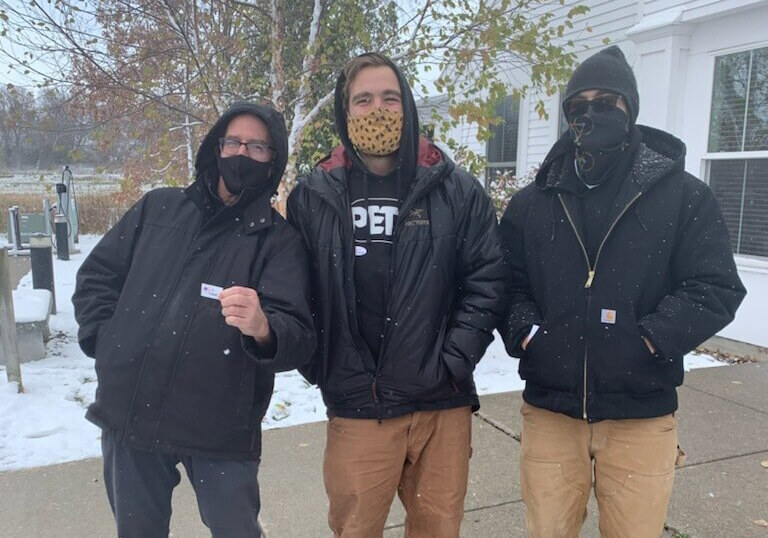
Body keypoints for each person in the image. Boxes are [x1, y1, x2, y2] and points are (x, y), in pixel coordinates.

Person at [499, 45, 747, 538]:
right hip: (551, 412)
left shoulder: (682, 195)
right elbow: (507, 281)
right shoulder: (534, 201)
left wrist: (649, 339)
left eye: (606, 101)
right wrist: (527, 332)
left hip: (640, 414)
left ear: (629, 107)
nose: (591, 113)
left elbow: (716, 285)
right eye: (579, 104)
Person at [72, 102, 316, 538]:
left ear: (273, 159)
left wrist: (264, 327)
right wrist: (105, 343)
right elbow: (96, 277)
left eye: (258, 146)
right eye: (234, 142)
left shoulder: (279, 242)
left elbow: (298, 336)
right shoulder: (158, 208)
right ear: (215, 146)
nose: (243, 153)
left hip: (221, 429)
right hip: (131, 418)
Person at [287, 52, 506, 537]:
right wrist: (322, 363)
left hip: (440, 406)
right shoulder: (314, 194)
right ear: (346, 113)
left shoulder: (458, 190)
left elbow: (488, 280)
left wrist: (453, 360)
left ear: (408, 106)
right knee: (354, 530)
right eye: (363, 100)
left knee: (437, 530)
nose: (377, 110)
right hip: (359, 407)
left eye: (389, 97)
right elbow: (296, 291)